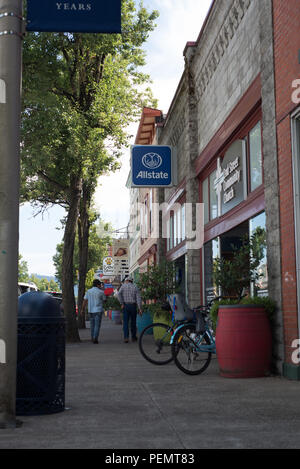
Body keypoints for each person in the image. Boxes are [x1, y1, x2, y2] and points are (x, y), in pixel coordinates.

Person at [117, 275, 142, 343]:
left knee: (125, 322)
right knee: (133, 322)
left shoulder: (123, 286)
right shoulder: (135, 286)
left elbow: (118, 294)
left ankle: (126, 337)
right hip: (133, 306)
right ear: (131, 281)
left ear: (127, 280)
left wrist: (121, 303)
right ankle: (133, 337)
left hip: (125, 306)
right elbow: (138, 298)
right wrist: (140, 308)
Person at [81, 279, 106, 344]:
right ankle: (95, 338)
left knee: (92, 325)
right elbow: (104, 300)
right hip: (98, 310)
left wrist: (82, 309)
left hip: (90, 310)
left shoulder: (88, 291)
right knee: (97, 325)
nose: (101, 285)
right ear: (98, 285)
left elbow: (85, 301)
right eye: (100, 284)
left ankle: (92, 338)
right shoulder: (101, 292)